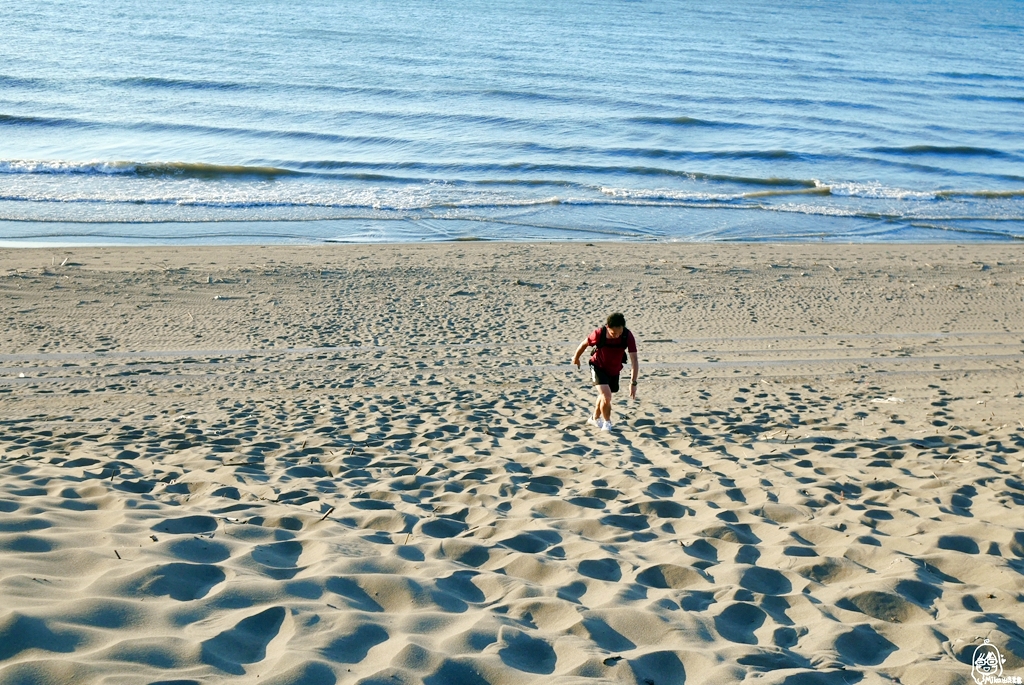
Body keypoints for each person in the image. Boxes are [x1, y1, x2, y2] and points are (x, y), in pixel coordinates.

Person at [572, 312, 638, 431]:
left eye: (619, 332)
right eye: (614, 333)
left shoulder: (627, 336)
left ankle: (594, 418)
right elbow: (583, 344)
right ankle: (607, 423)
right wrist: (576, 358)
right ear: (608, 327)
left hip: (614, 369)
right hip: (598, 366)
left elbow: (634, 360)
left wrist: (633, 382)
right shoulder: (599, 333)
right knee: (607, 396)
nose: (617, 335)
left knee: (604, 396)